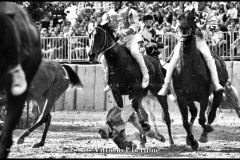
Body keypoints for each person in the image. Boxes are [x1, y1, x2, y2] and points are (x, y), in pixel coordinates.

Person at [158, 6, 224, 96]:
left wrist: (201, 33)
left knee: (209, 58)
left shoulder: (210, 14)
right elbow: (179, 26)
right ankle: (165, 86)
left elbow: (212, 31)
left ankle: (216, 83)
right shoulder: (188, 11)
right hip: (185, 40)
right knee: (174, 59)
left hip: (199, 41)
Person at [100, 1, 149, 92]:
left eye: (116, 3)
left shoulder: (130, 11)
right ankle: (109, 81)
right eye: (112, 3)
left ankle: (145, 75)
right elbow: (104, 26)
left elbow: (136, 26)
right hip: (119, 40)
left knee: (135, 52)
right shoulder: (108, 14)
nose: (114, 4)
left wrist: (125, 32)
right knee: (103, 59)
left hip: (132, 37)